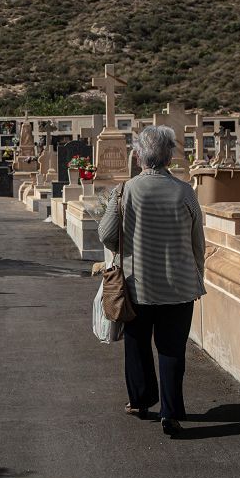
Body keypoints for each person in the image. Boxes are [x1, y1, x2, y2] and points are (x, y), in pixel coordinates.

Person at [97, 125, 206, 437]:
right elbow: (198, 241)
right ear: (169, 157)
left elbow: (106, 235)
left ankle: (141, 401)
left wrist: (126, 245)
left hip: (137, 286)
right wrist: (196, 277)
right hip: (180, 287)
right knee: (172, 350)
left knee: (138, 344)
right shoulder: (186, 192)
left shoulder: (125, 191)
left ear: (137, 156)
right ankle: (171, 412)